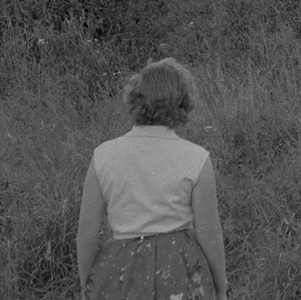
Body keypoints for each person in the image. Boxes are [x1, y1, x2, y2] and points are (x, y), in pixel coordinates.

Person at [76, 57, 228, 300]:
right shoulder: (196, 158)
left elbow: (86, 232)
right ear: (183, 103)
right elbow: (210, 233)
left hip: (119, 271)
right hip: (180, 268)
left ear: (135, 99)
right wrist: (220, 288)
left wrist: (88, 286)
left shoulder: (104, 155)